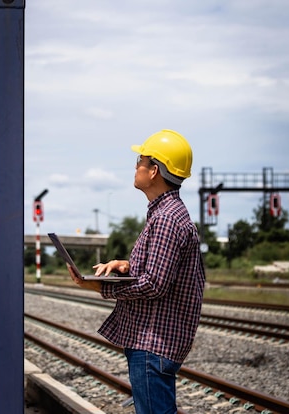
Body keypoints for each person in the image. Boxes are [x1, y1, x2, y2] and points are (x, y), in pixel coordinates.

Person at [68, 129, 205, 414]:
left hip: (153, 342)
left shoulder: (166, 219)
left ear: (154, 170)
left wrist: (97, 286)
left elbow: (154, 284)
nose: (135, 167)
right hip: (154, 341)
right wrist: (126, 265)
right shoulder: (166, 214)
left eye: (140, 161)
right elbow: (164, 269)